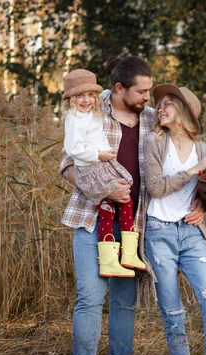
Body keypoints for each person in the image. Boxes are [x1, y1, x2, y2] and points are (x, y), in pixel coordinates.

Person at [60, 56, 206, 355]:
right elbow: (68, 164)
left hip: (135, 224)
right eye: (141, 91)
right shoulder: (90, 110)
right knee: (90, 297)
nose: (147, 98)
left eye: (149, 91)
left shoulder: (155, 119)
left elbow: (186, 155)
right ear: (119, 88)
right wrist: (105, 189)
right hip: (92, 217)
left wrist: (202, 199)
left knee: (124, 298)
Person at [142, 84, 206, 355]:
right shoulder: (153, 142)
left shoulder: (203, 150)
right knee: (172, 308)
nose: (161, 107)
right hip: (158, 232)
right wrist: (194, 171)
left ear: (185, 113)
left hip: (192, 232)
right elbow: (156, 187)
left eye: (169, 104)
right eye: (160, 104)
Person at [61, 68, 144, 278]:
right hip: (91, 166)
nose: (86, 100)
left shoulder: (90, 114)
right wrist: (99, 155)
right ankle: (117, 257)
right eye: (80, 95)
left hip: (100, 162)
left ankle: (124, 255)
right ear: (71, 98)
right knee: (119, 200)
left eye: (90, 95)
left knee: (114, 204)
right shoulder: (74, 118)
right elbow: (72, 149)